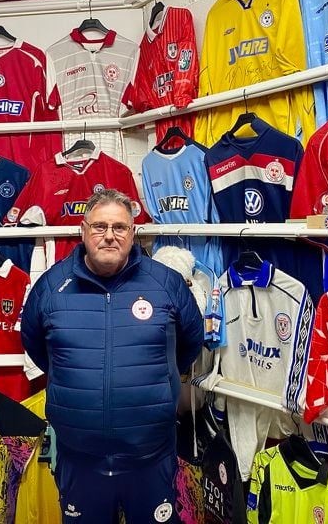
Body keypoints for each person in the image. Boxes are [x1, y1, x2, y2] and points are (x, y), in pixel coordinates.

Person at [21, 188, 204, 523]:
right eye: (99, 227)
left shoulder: (166, 284)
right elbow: (37, 346)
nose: (109, 236)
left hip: (150, 457)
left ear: (133, 232)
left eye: (119, 227)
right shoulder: (51, 288)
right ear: (83, 231)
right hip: (80, 459)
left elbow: (190, 343)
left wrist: (158, 381)